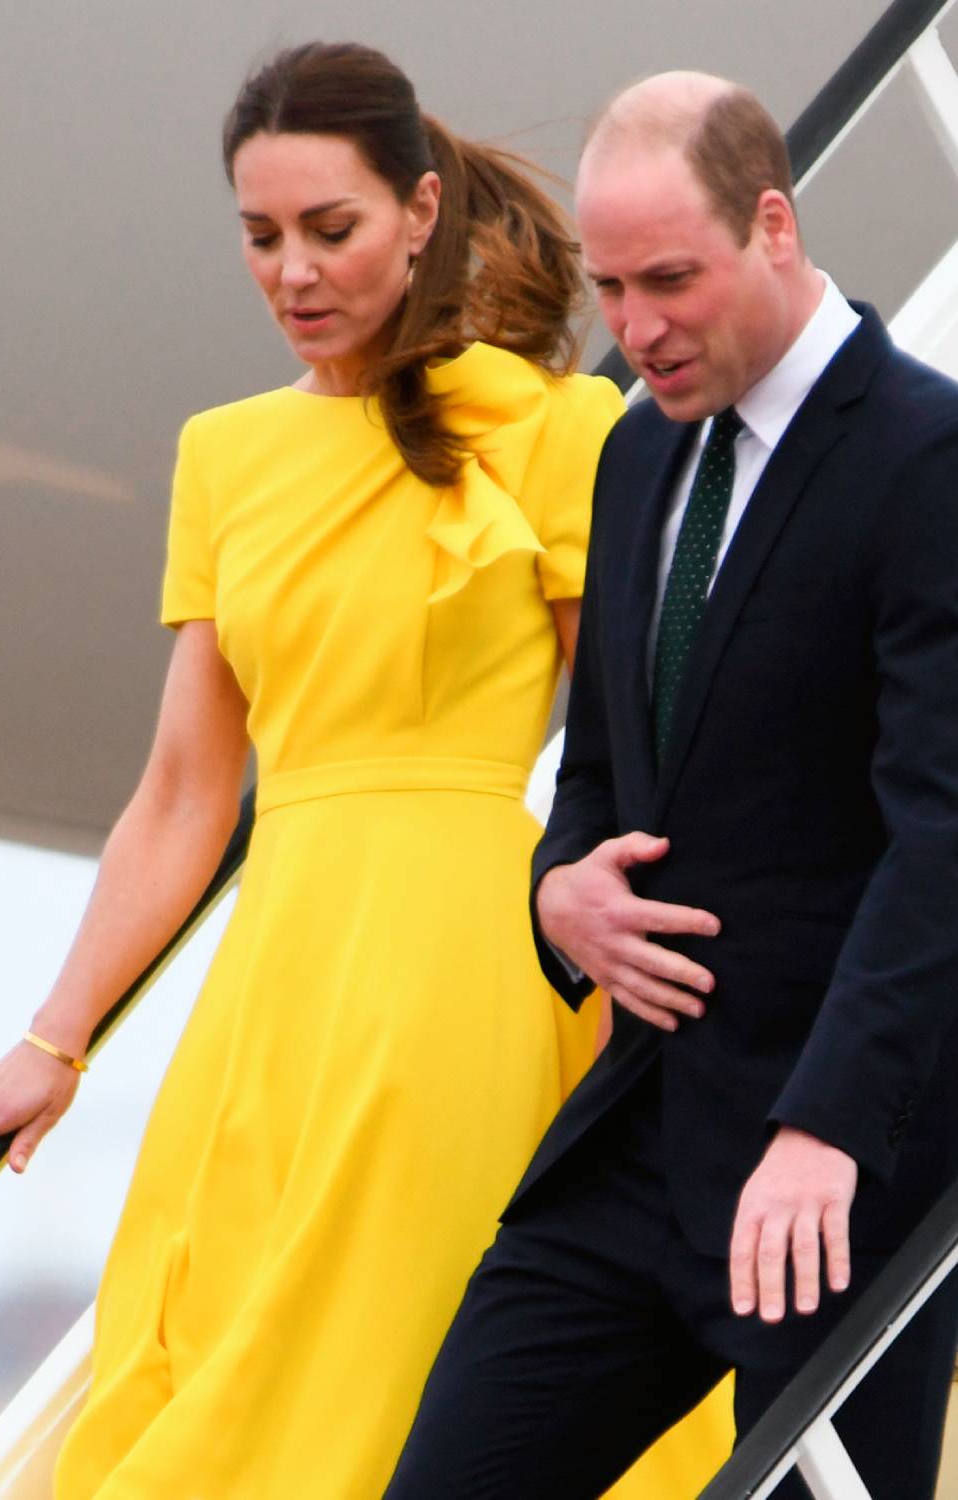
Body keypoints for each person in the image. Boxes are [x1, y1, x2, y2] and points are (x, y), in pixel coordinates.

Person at [0, 44, 734, 1498]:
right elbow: (184, 796)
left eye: (333, 229)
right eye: (262, 236)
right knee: (215, 1355)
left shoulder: (560, 430)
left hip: (464, 966)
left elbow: (640, 748)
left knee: (390, 1367)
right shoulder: (225, 456)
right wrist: (50, 1045)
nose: (293, 272)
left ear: (422, 211)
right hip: (275, 982)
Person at [384, 70, 958, 1500]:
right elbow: (600, 770)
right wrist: (557, 890)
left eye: (670, 281)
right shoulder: (635, 450)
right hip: (639, 1144)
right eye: (611, 284)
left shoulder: (928, 458)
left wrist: (831, 1127)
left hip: (838, 1174)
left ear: (774, 226)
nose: (634, 328)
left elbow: (943, 835)